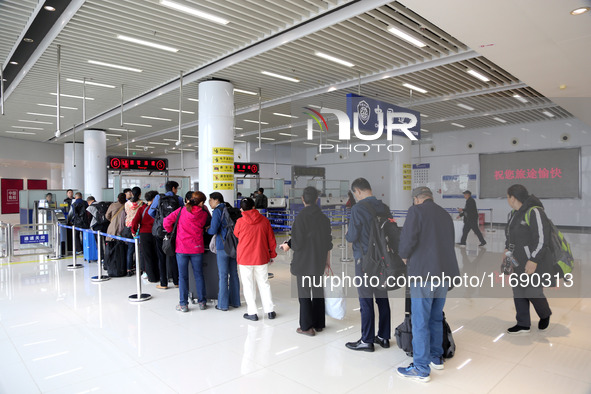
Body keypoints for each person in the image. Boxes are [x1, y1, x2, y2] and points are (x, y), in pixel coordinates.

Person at [396, 186, 460, 382]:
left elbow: (407, 240)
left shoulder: (416, 211)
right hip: (444, 274)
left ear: (416, 199)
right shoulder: (444, 214)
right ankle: (436, 357)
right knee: (435, 317)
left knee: (420, 320)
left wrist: (404, 256)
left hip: (424, 275)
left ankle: (421, 368)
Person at [345, 178, 391, 352]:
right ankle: (384, 337)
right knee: (382, 298)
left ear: (357, 191)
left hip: (364, 260)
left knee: (366, 300)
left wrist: (349, 234)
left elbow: (352, 237)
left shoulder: (358, 208)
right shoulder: (384, 207)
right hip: (383, 260)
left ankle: (367, 340)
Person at [280, 187, 332, 336]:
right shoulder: (324, 218)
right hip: (318, 261)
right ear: (317, 199)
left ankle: (306, 326)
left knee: (304, 293)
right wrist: (327, 262)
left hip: (304, 262)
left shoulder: (300, 217)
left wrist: (287, 245)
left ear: (303, 199)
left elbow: (297, 243)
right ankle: (319, 323)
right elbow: (328, 242)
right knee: (317, 291)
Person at [504, 184, 553, 334]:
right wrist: (507, 249)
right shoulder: (513, 213)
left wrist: (534, 259)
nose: (507, 200)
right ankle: (523, 323)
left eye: (507, 197)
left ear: (513, 197)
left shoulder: (535, 212)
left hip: (532, 261)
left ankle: (545, 314)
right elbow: (510, 235)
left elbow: (542, 239)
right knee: (518, 291)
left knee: (532, 291)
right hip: (515, 260)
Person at [164, 191, 208, 312]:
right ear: (201, 202)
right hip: (197, 247)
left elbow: (166, 221)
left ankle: (183, 304)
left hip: (182, 248)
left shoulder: (182, 210)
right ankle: (202, 302)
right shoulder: (203, 214)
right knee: (199, 275)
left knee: (182, 277)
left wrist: (172, 230)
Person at [234, 197, 277, 321]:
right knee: (264, 283)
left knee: (248, 285)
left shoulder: (240, 222)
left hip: (244, 258)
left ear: (241, 209)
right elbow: (271, 239)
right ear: (254, 207)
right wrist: (272, 254)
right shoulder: (264, 221)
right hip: (261, 257)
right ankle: (270, 311)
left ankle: (252, 313)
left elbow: (236, 234)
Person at [207, 192, 241, 311]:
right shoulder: (230, 208)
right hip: (233, 245)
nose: (209, 203)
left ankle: (223, 304)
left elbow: (213, 229)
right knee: (234, 274)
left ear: (216, 200)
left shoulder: (217, 211)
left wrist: (208, 230)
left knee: (222, 275)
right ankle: (236, 301)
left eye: (210, 200)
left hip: (222, 246)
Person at [149, 181, 184, 289]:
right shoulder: (178, 199)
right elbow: (181, 213)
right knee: (173, 255)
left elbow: (150, 212)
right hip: (173, 231)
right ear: (173, 188)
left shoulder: (158, 198)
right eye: (176, 188)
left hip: (160, 231)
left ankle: (163, 283)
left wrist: (160, 220)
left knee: (161, 256)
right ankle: (176, 281)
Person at [130, 190, 160, 283]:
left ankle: (152, 277)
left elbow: (135, 221)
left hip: (144, 234)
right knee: (157, 255)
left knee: (148, 256)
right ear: (154, 199)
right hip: (156, 234)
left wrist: (133, 231)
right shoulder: (158, 209)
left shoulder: (142, 208)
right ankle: (160, 276)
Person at [124, 187, 144, 276]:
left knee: (130, 249)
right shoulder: (142, 203)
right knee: (139, 250)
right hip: (139, 227)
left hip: (129, 227)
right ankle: (139, 269)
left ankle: (128, 269)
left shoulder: (127, 204)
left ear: (131, 193)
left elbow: (126, 213)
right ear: (140, 194)